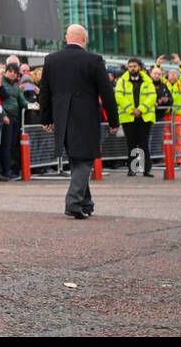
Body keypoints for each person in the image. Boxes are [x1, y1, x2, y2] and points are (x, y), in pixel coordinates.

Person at [38, 24, 120, 219]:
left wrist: (46, 118)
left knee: (78, 159)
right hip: (85, 117)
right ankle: (74, 203)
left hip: (62, 117)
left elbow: (45, 92)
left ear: (67, 38)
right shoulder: (94, 60)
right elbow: (107, 93)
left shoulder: (51, 60)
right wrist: (114, 121)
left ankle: (86, 203)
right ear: (84, 39)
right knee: (85, 159)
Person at [114, 58, 157, 177]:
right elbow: (118, 96)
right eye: (130, 66)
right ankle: (132, 168)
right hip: (129, 117)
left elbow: (152, 97)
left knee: (143, 143)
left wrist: (141, 109)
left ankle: (145, 169)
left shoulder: (148, 80)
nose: (132, 68)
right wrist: (130, 109)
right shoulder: (122, 81)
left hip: (144, 116)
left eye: (135, 66)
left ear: (139, 67)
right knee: (131, 143)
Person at [0, 62, 29, 179]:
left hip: (15, 117)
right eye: (10, 71)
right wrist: (3, 115)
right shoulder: (0, 83)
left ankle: (12, 169)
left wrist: (32, 105)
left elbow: (22, 101)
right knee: (6, 145)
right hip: (6, 117)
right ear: (6, 71)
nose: (12, 74)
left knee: (13, 145)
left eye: (15, 72)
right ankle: (6, 170)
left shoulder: (16, 85)